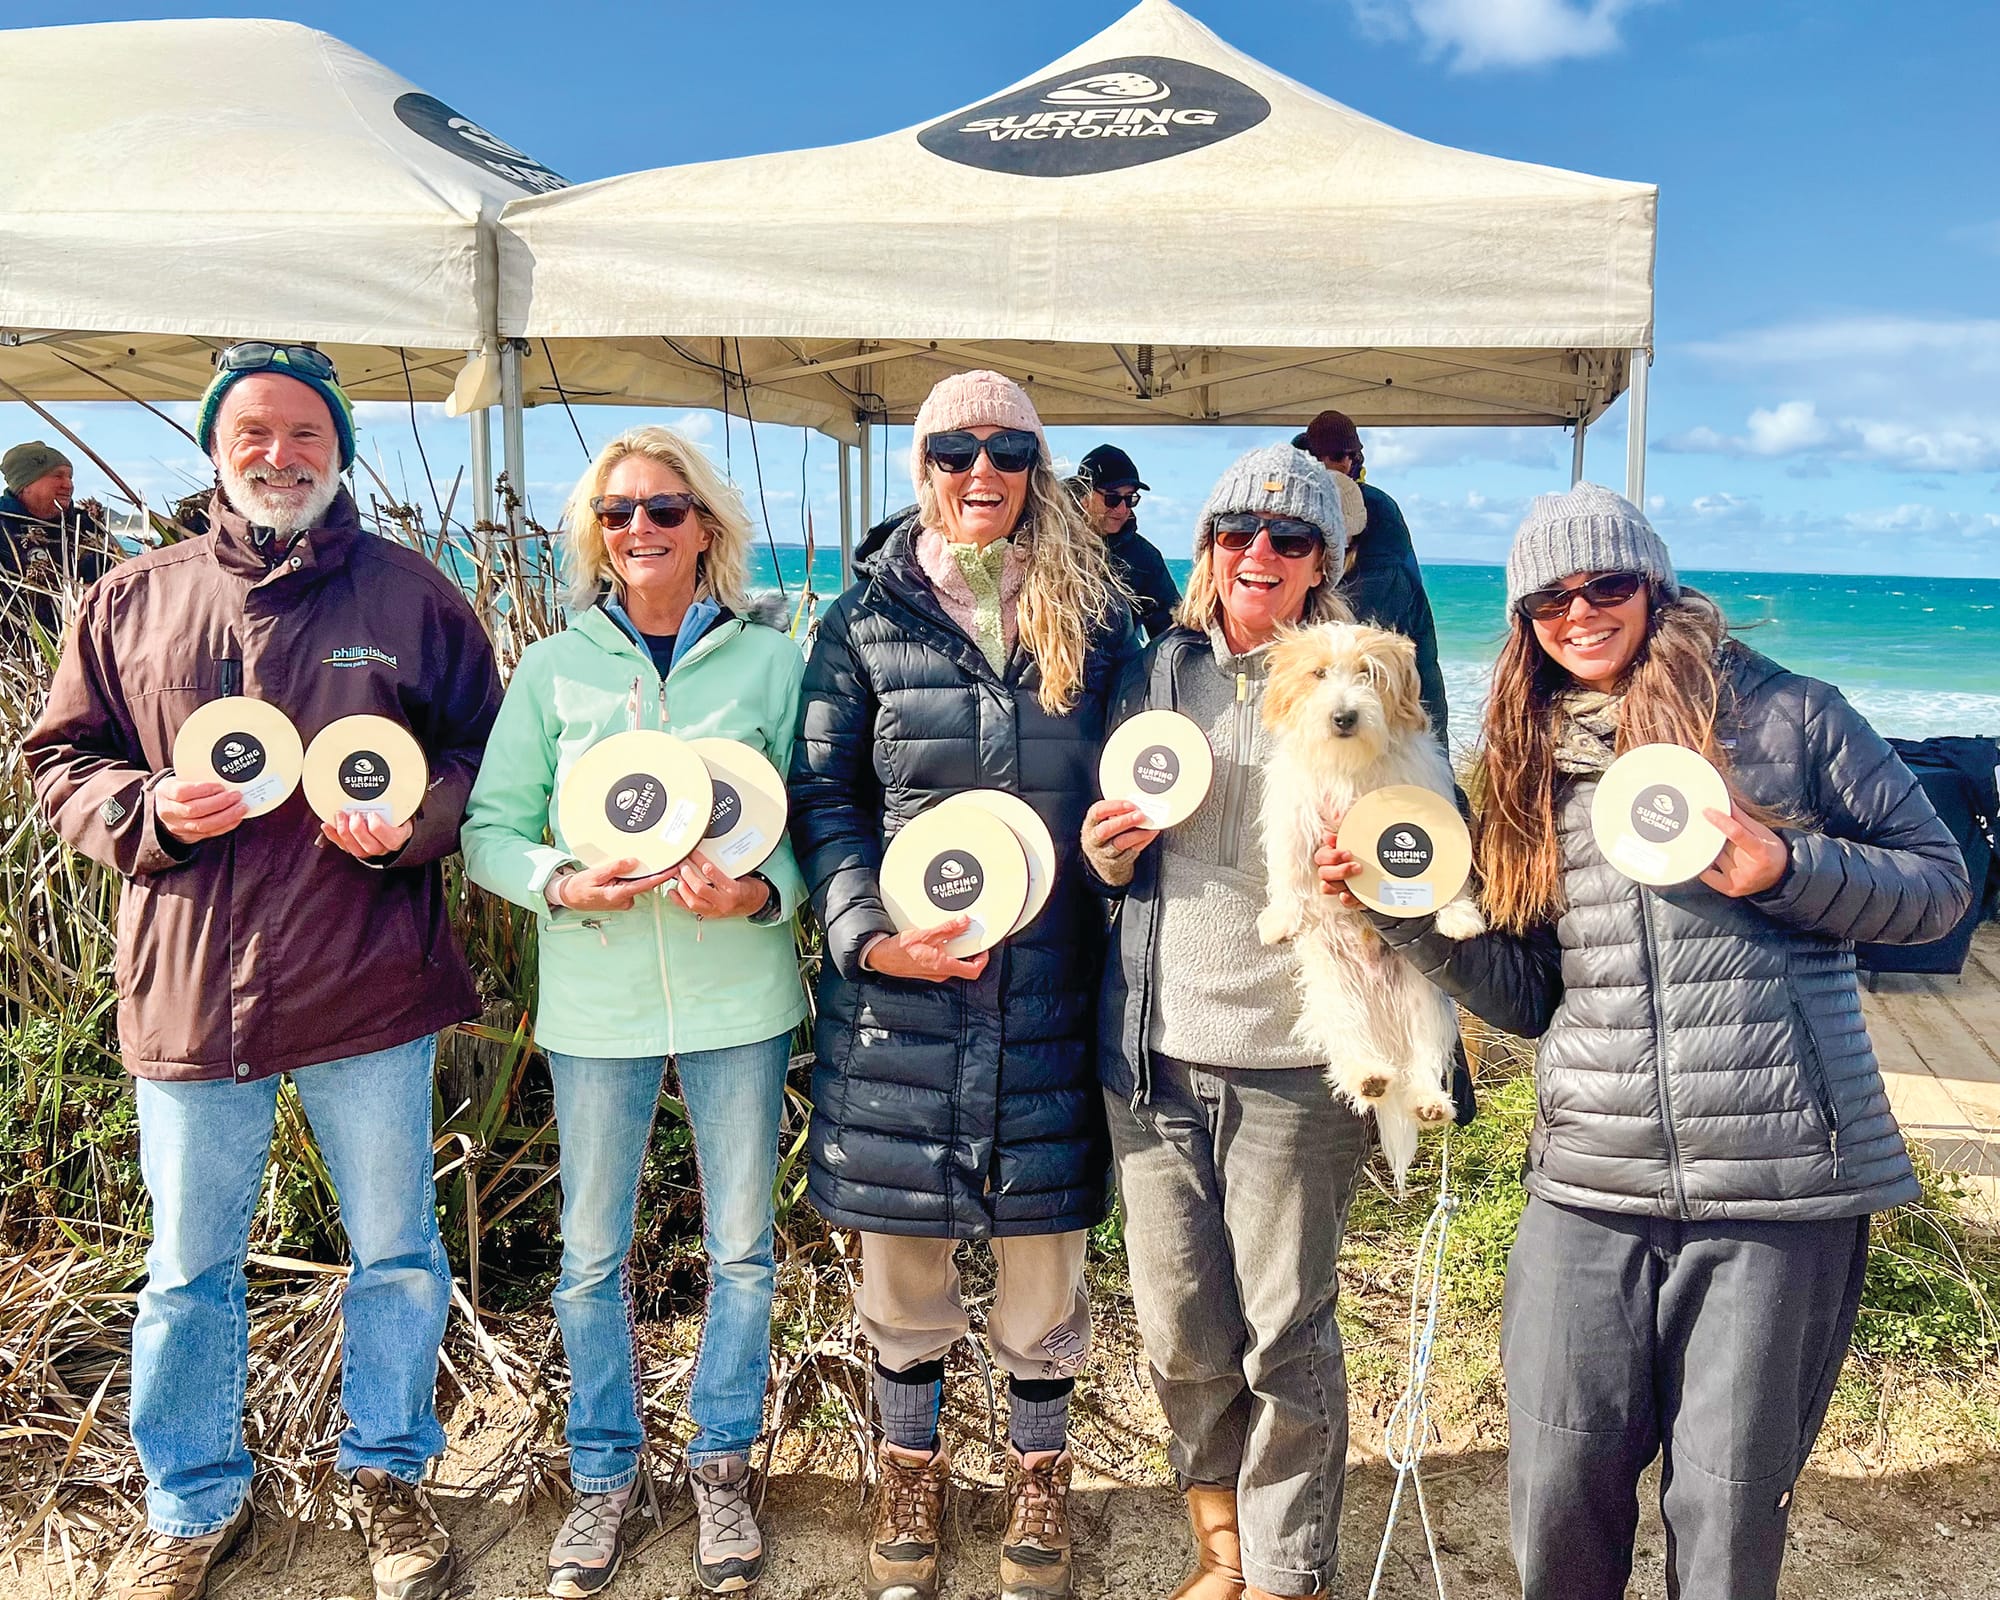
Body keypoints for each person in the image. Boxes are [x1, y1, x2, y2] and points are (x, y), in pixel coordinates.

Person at [1321, 485, 1972, 1600]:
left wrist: (1787, 867)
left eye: (1604, 585)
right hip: (1590, 1182)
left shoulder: (1789, 717)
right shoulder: (1526, 756)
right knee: (1556, 1493)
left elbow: (1940, 886)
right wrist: (1399, 907)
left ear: (1654, 587)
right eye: (1545, 600)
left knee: (1721, 1516)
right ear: (1522, 620)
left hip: (1776, 1190)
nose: (1577, 613)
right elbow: (1529, 994)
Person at [24, 343, 503, 1600]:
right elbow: (58, 765)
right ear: (214, 450)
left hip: (367, 975)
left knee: (395, 1251)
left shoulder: (413, 595)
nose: (279, 456)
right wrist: (151, 811)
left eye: (304, 433)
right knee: (187, 1267)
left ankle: (389, 1477)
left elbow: (483, 757)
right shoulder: (130, 598)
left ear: (339, 448)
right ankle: (191, 1502)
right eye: (254, 435)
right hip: (192, 984)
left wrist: (419, 824)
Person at [788, 370, 1133, 1600]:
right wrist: (867, 933)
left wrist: (1116, 851)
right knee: (903, 1260)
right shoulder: (859, 622)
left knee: (1044, 1253)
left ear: (1033, 468)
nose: (977, 471)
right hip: (901, 993)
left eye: (1003, 449)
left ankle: (1037, 1483)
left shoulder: (1099, 619)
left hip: (1048, 984)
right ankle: (910, 1472)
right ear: (920, 467)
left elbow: (1132, 786)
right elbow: (822, 796)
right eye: (951, 449)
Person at [462, 425, 807, 1597]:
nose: (640, 530)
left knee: (743, 1254)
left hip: (739, 998)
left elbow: (817, 829)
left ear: (705, 526)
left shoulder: (770, 664)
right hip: (597, 1001)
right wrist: (561, 881)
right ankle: (602, 1474)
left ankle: (719, 1466)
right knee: (587, 1259)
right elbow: (488, 831)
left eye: (664, 510)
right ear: (594, 536)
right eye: (618, 515)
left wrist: (763, 891)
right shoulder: (554, 670)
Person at [1081, 444, 1366, 1600]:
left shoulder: (1355, 682)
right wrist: (1101, 859)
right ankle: (1223, 1554)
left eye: (1287, 540)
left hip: (1294, 1061)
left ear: (1318, 566)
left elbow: (1417, 840)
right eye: (1236, 533)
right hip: (1149, 1053)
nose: (1258, 554)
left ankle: (1289, 1571)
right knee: (1179, 1331)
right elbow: (1106, 845)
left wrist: (1381, 872)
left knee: (1286, 1332)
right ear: (1204, 549)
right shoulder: (1154, 673)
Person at [1292, 410, 1448, 740]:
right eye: (1318, 456)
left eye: (1339, 456)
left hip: (1388, 658)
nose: (1332, 464)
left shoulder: (1378, 510)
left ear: (1354, 457)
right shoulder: (1295, 496)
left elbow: (1369, 621)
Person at [1, 439, 117, 647]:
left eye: (70, 476)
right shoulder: (3, 528)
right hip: (17, 656)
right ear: (25, 484)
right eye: (57, 476)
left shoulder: (86, 527)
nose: (69, 484)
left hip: (88, 648)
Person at [1067, 443, 1180, 640]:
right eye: (1112, 498)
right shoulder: (1049, 542)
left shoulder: (1145, 557)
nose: (1121, 509)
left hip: (1120, 667)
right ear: (1084, 494)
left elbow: (1171, 631)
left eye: (1129, 499)